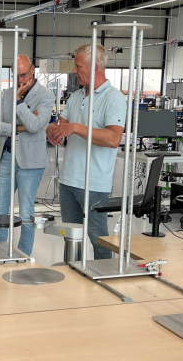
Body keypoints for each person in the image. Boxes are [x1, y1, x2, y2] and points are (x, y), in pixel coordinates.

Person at [46, 43, 126, 260]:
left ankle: (104, 282)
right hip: (68, 181)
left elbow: (113, 139)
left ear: (95, 68)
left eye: (78, 66)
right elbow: (60, 125)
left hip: (94, 184)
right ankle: (73, 279)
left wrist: (76, 128)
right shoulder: (76, 96)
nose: (74, 71)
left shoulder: (114, 98)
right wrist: (52, 131)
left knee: (99, 240)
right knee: (71, 237)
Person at [0, 55, 55, 256]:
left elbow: (35, 126)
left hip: (31, 162)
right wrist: (19, 127)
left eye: (24, 74)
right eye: (16, 75)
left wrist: (19, 102)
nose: (20, 80)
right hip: (7, 157)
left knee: (26, 212)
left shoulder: (46, 95)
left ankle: (24, 254)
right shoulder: (6, 94)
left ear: (33, 69)